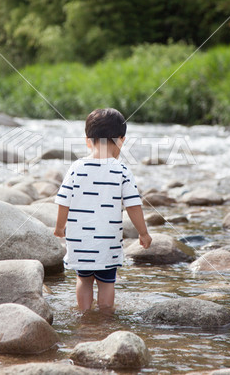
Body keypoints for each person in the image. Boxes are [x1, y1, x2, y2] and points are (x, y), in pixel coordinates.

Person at [54, 108, 152, 311]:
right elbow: (133, 205)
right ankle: (105, 319)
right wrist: (143, 233)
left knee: (84, 280)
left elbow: (64, 201)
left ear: (87, 140)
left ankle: (85, 317)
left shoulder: (76, 167)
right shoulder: (122, 170)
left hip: (80, 241)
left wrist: (59, 228)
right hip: (107, 241)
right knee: (107, 283)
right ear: (121, 140)